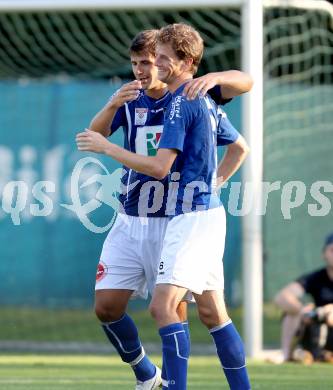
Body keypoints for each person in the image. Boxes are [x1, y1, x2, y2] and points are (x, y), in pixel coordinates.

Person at [77, 23, 251, 390]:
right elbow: (97, 133)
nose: (146, 68)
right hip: (148, 216)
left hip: (183, 217)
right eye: (140, 61)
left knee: (169, 307)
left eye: (155, 59)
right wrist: (112, 104)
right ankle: (149, 376)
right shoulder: (147, 99)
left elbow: (165, 166)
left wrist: (213, 183)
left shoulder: (188, 96)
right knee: (205, 310)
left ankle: (174, 385)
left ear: (178, 62)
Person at [274, 233, 333, 363]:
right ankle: (286, 353)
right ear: (324, 254)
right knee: (291, 312)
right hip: (318, 332)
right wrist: (303, 310)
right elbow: (281, 297)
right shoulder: (317, 277)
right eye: (332, 250)